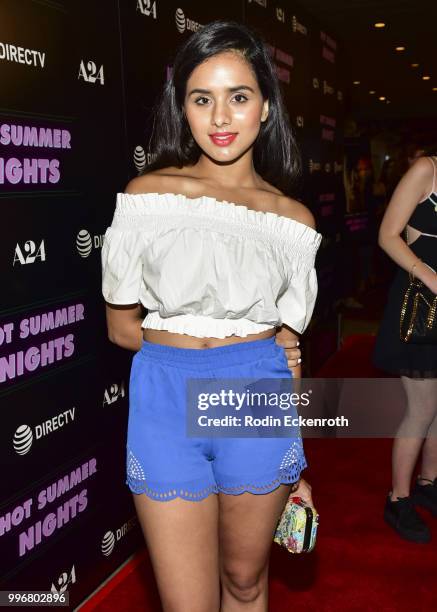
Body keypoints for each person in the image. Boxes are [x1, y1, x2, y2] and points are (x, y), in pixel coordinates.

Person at [101, 20, 322, 612]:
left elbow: (287, 348)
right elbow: (122, 328)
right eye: (203, 99)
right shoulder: (148, 197)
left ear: (267, 109)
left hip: (258, 399)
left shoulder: (293, 222)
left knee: (246, 583)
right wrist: (200, 345)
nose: (221, 117)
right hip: (165, 401)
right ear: (184, 109)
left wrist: (294, 451)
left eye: (239, 97)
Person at [372, 152, 437, 544]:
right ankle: (398, 497)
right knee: (422, 407)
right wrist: (430, 276)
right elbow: (386, 235)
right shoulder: (426, 170)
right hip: (419, 306)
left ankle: (429, 482)